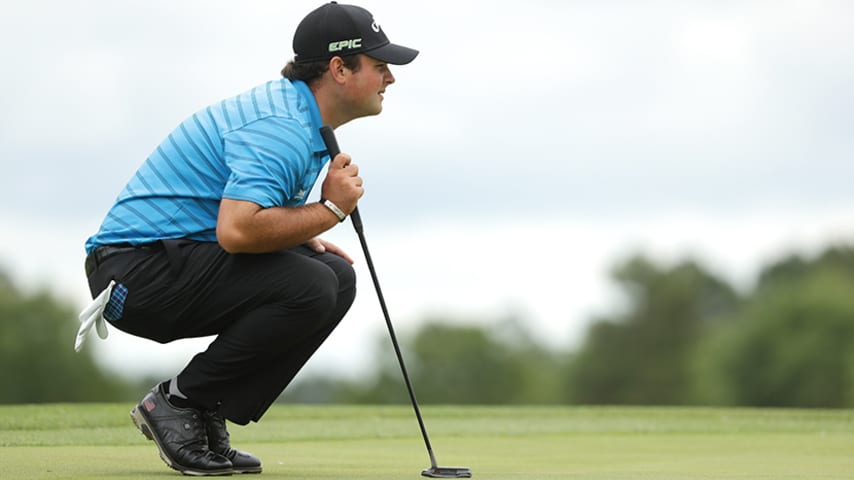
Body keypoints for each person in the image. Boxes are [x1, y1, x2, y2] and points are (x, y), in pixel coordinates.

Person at [79, 2, 417, 476]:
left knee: (335, 277)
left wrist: (301, 233)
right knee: (311, 285)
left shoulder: (297, 117)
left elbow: (240, 220)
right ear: (339, 69)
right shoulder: (279, 127)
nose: (391, 78)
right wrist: (330, 211)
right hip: (133, 274)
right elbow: (237, 230)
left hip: (166, 260)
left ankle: (203, 409)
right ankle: (177, 403)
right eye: (380, 66)